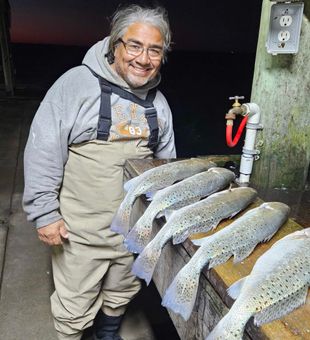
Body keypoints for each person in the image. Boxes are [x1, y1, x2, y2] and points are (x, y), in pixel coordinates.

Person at [23, 4, 176, 340]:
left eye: (155, 50)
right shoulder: (76, 85)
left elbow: (166, 168)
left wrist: (162, 221)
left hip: (131, 233)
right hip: (79, 233)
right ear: (114, 45)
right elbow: (43, 150)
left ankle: (106, 334)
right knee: (73, 305)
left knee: (122, 292)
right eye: (134, 45)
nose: (143, 58)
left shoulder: (159, 104)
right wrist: (45, 214)